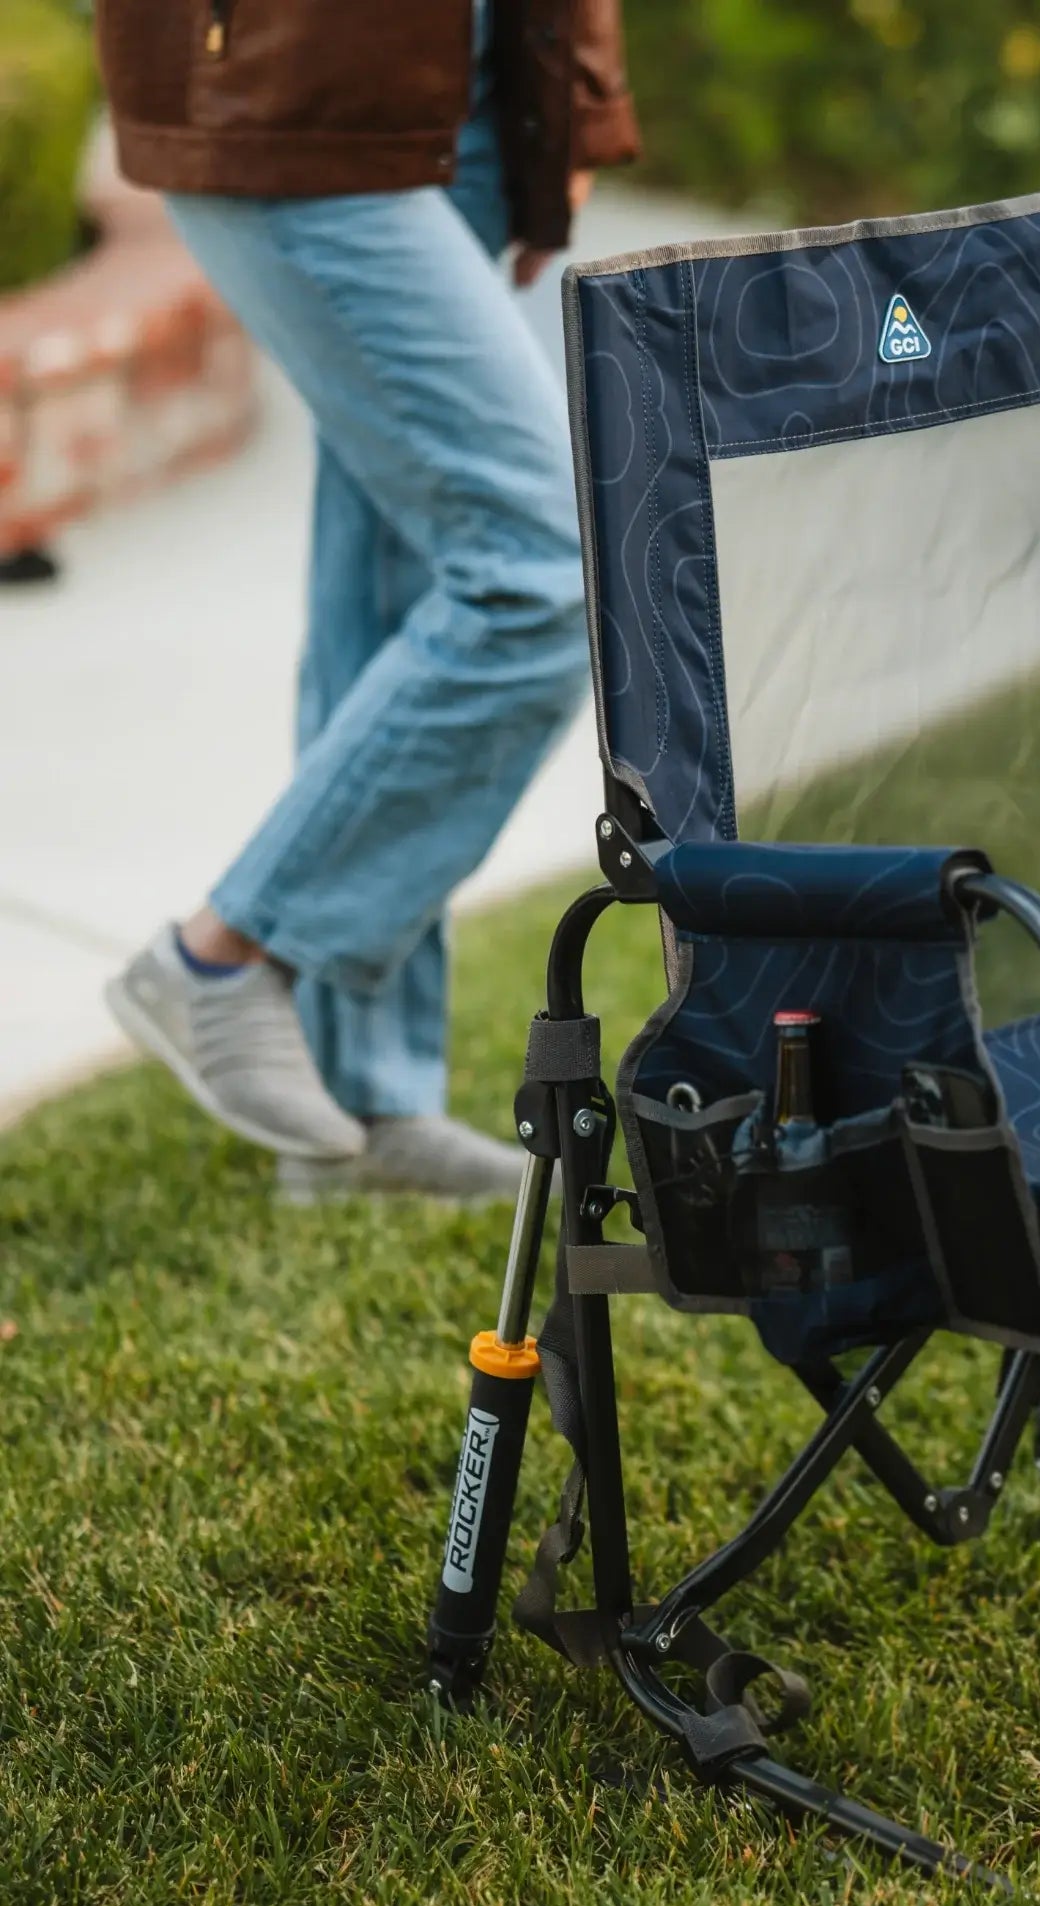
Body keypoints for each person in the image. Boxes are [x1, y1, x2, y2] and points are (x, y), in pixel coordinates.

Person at [91, 0, 638, 1201]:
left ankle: (363, 1103)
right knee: (537, 571)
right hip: (282, 83)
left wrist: (566, 103)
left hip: (473, 82)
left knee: (400, 588)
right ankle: (224, 953)